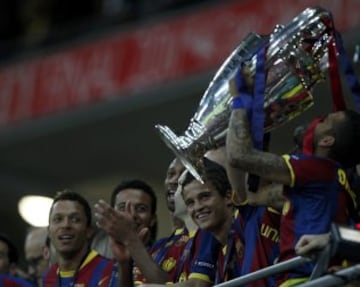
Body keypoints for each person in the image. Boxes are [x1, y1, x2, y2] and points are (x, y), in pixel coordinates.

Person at [226, 67, 360, 286]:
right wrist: (254, 113)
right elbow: (252, 195)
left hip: (303, 279)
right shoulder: (333, 186)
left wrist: (238, 101)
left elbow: (239, 156)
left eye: (325, 119)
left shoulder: (319, 168)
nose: (318, 119)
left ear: (327, 141)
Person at [43, 189, 117, 287]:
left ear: (89, 231)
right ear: (49, 231)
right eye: (58, 219)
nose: (66, 225)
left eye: (75, 219)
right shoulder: (49, 276)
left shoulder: (109, 271)